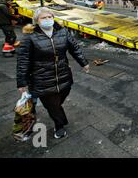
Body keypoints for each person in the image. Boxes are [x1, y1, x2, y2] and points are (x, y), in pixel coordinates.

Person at [16, 7, 90, 139]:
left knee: (59, 99)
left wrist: (84, 63)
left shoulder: (63, 32)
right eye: (43, 18)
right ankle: (59, 125)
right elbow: (23, 61)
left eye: (50, 17)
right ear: (36, 21)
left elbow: (75, 48)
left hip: (63, 75)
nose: (47, 20)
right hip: (42, 78)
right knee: (53, 105)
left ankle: (55, 112)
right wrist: (21, 82)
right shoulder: (29, 37)